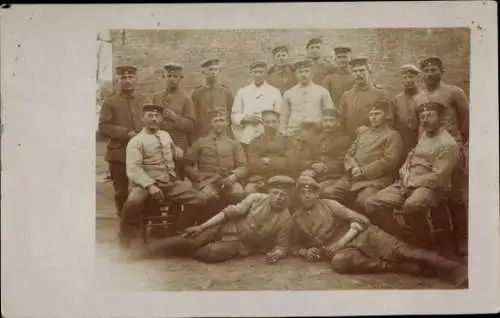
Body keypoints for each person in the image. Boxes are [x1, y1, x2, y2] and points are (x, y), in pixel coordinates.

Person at [289, 176, 468, 288]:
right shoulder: (297, 218)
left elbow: (362, 220)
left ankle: (456, 270)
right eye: (303, 193)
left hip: (364, 235)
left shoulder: (330, 204)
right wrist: (305, 251)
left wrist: (340, 242)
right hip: (345, 251)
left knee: (405, 251)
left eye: (311, 192)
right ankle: (399, 267)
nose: (307, 196)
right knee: (339, 263)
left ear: (317, 194)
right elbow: (293, 245)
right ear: (298, 196)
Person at [140, 176, 296, 264]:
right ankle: (149, 250)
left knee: (209, 253)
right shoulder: (256, 198)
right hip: (225, 228)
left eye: (283, 195)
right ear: (269, 191)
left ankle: (180, 250)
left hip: (242, 244)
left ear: (288, 197)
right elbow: (227, 214)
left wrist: (275, 254)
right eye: (275, 193)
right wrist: (201, 227)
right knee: (192, 239)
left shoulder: (286, 218)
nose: (278, 198)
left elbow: (281, 246)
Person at [364, 102, 459, 247]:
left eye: (430, 116)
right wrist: (404, 170)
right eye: (423, 116)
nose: (425, 120)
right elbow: (412, 154)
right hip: (407, 182)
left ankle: (424, 240)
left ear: (440, 118)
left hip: (430, 188)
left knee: (412, 205)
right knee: (372, 204)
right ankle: (403, 235)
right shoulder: (424, 134)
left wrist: (411, 183)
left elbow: (438, 177)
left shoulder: (448, 144)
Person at [118, 103, 207, 248]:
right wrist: (150, 186)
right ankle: (124, 237)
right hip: (146, 185)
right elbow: (133, 169)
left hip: (170, 183)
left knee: (200, 199)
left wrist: (177, 151)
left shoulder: (165, 135)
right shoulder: (136, 141)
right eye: (150, 116)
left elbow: (172, 152)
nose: (154, 119)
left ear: (161, 119)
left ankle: (178, 230)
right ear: (143, 118)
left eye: (157, 116)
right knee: (132, 203)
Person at [413, 56, 469, 256]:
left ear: (441, 72)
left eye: (433, 69)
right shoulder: (418, 98)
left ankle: (462, 239)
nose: (429, 73)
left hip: (450, 149)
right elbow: (419, 125)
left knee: (455, 196)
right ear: (422, 75)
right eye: (426, 70)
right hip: (429, 152)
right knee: (436, 195)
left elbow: (466, 120)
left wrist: (458, 144)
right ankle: (443, 239)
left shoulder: (454, 92)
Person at [334, 99, 403, 209]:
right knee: (330, 193)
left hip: (375, 180)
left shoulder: (392, 135)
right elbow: (349, 154)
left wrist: (363, 171)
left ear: (385, 116)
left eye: (377, 114)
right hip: (353, 176)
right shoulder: (364, 133)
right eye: (371, 114)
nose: (373, 117)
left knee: (362, 201)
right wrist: (354, 168)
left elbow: (389, 162)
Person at [98, 65, 145, 215]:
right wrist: (126, 133)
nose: (127, 81)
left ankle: (138, 222)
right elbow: (104, 126)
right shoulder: (110, 102)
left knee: (141, 189)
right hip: (119, 153)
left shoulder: (142, 101)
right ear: (118, 79)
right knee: (121, 192)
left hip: (140, 153)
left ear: (135, 79)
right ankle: (124, 224)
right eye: (123, 78)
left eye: (130, 77)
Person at [184, 108, 248, 204]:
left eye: (222, 120)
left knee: (237, 193)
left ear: (227, 123)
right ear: (211, 124)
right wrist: (197, 176)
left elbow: (243, 166)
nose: (219, 124)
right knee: (208, 197)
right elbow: (187, 165)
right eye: (215, 121)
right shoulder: (200, 142)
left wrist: (234, 176)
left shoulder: (234, 144)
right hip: (207, 181)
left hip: (229, 180)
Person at [297, 108, 351, 201]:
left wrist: (325, 168)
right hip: (313, 173)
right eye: (325, 120)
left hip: (333, 177)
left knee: (317, 191)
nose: (328, 124)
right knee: (298, 187)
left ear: (338, 123)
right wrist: (313, 165)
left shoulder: (345, 140)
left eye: (331, 120)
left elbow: (343, 163)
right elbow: (302, 158)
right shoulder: (314, 138)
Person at [231, 60, 282, 152]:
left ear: (265, 73)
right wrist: (244, 118)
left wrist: (269, 122)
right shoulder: (242, 91)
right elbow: (234, 114)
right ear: (251, 73)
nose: (258, 75)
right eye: (255, 72)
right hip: (247, 133)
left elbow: (279, 113)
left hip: (267, 132)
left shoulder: (274, 91)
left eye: (260, 72)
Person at [280, 59, 335, 141]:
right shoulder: (288, 93)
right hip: (293, 133)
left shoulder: (322, 92)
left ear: (312, 73)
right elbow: (283, 116)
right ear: (296, 74)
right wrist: (283, 132)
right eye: (300, 72)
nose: (303, 75)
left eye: (307, 71)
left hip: (316, 134)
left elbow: (329, 114)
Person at [338, 56, 392, 140]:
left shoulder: (380, 94)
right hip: (349, 141)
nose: (358, 74)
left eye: (362, 70)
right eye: (355, 71)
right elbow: (341, 121)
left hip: (372, 142)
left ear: (369, 72)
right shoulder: (346, 96)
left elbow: (388, 121)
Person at [245, 109, 296, 194]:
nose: (271, 125)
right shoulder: (255, 141)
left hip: (282, 176)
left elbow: (291, 163)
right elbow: (253, 165)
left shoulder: (286, 141)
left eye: (274, 122)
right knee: (249, 190)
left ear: (279, 122)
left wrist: (269, 161)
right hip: (261, 178)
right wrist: (279, 162)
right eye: (267, 122)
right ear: (263, 123)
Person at [151, 62, 196, 152]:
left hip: (178, 141)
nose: (172, 79)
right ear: (164, 77)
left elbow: (191, 126)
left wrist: (175, 118)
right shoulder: (157, 97)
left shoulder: (185, 98)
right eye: (169, 76)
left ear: (180, 78)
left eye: (175, 77)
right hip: (159, 139)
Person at [191, 58, 234, 140]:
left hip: (223, 133)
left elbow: (231, 112)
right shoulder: (196, 93)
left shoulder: (226, 91)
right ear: (203, 72)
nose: (213, 72)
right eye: (210, 70)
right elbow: (193, 116)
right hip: (204, 133)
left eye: (216, 69)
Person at [392, 64, 422, 164]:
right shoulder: (396, 100)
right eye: (404, 77)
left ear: (418, 77)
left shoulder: (424, 97)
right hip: (402, 141)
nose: (407, 80)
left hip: (421, 139)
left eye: (411, 77)